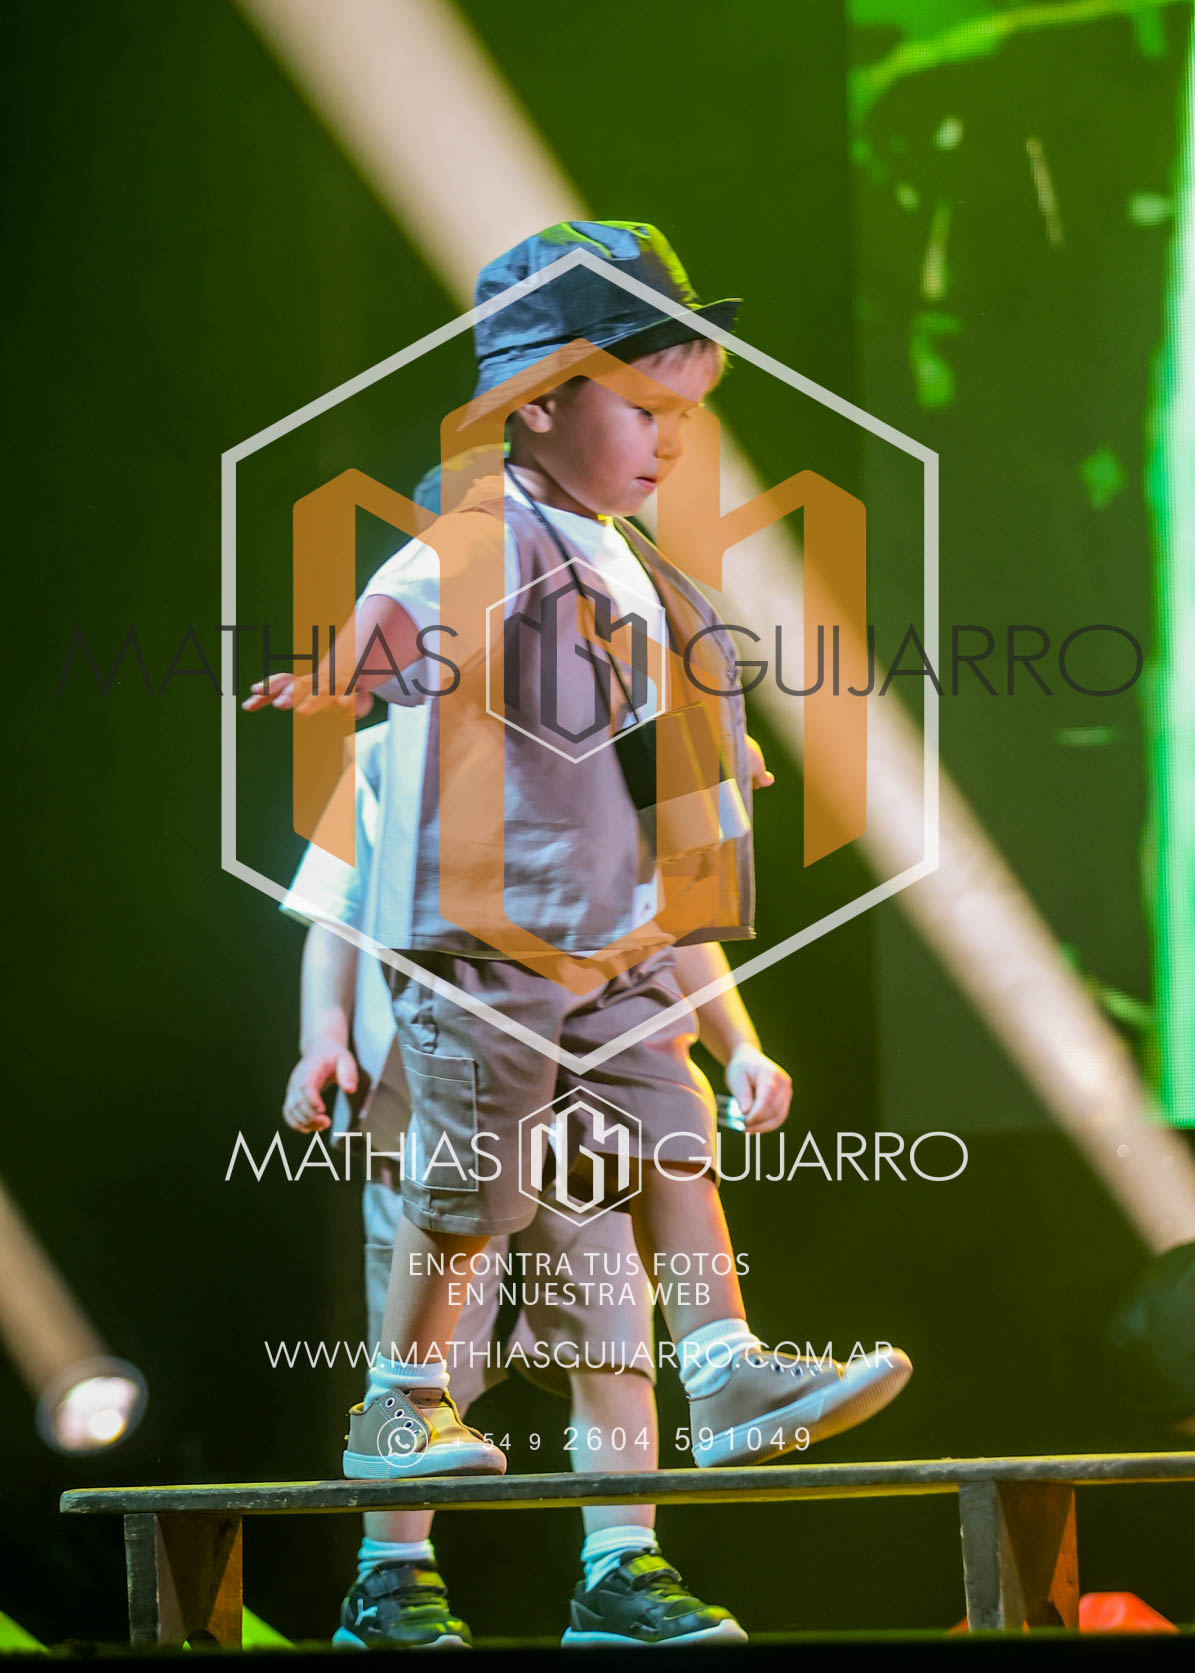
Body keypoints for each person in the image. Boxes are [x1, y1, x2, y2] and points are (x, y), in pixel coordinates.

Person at [246, 220, 912, 1485]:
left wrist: (720, 751)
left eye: (685, 416)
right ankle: (401, 1405)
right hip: (494, 931)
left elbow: (645, 704)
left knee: (672, 1126)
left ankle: (721, 1367)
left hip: (619, 930)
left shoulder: (630, 558)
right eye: (645, 411)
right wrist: (339, 673)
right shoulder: (485, 529)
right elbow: (404, 612)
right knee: (473, 1183)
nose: (672, 442)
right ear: (538, 405)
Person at [280, 720, 793, 1646]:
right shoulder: (392, 751)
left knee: (610, 1330)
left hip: (588, 1088)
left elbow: (671, 921)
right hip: (434, 1083)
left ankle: (621, 1565)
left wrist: (739, 1043)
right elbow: (336, 908)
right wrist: (322, 1037)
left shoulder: (620, 739)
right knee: (424, 1344)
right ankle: (388, 1573)